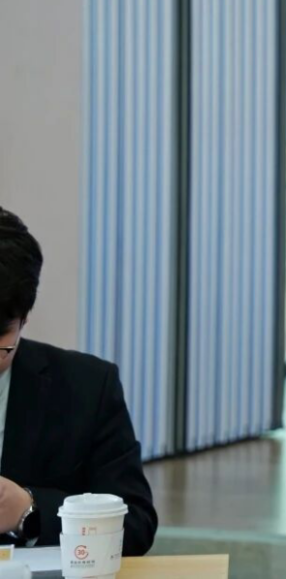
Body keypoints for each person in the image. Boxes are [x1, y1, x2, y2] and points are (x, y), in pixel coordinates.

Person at [0, 207, 157, 554]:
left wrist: (29, 511)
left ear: (24, 318)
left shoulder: (86, 388)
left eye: (1, 347)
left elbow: (136, 524)